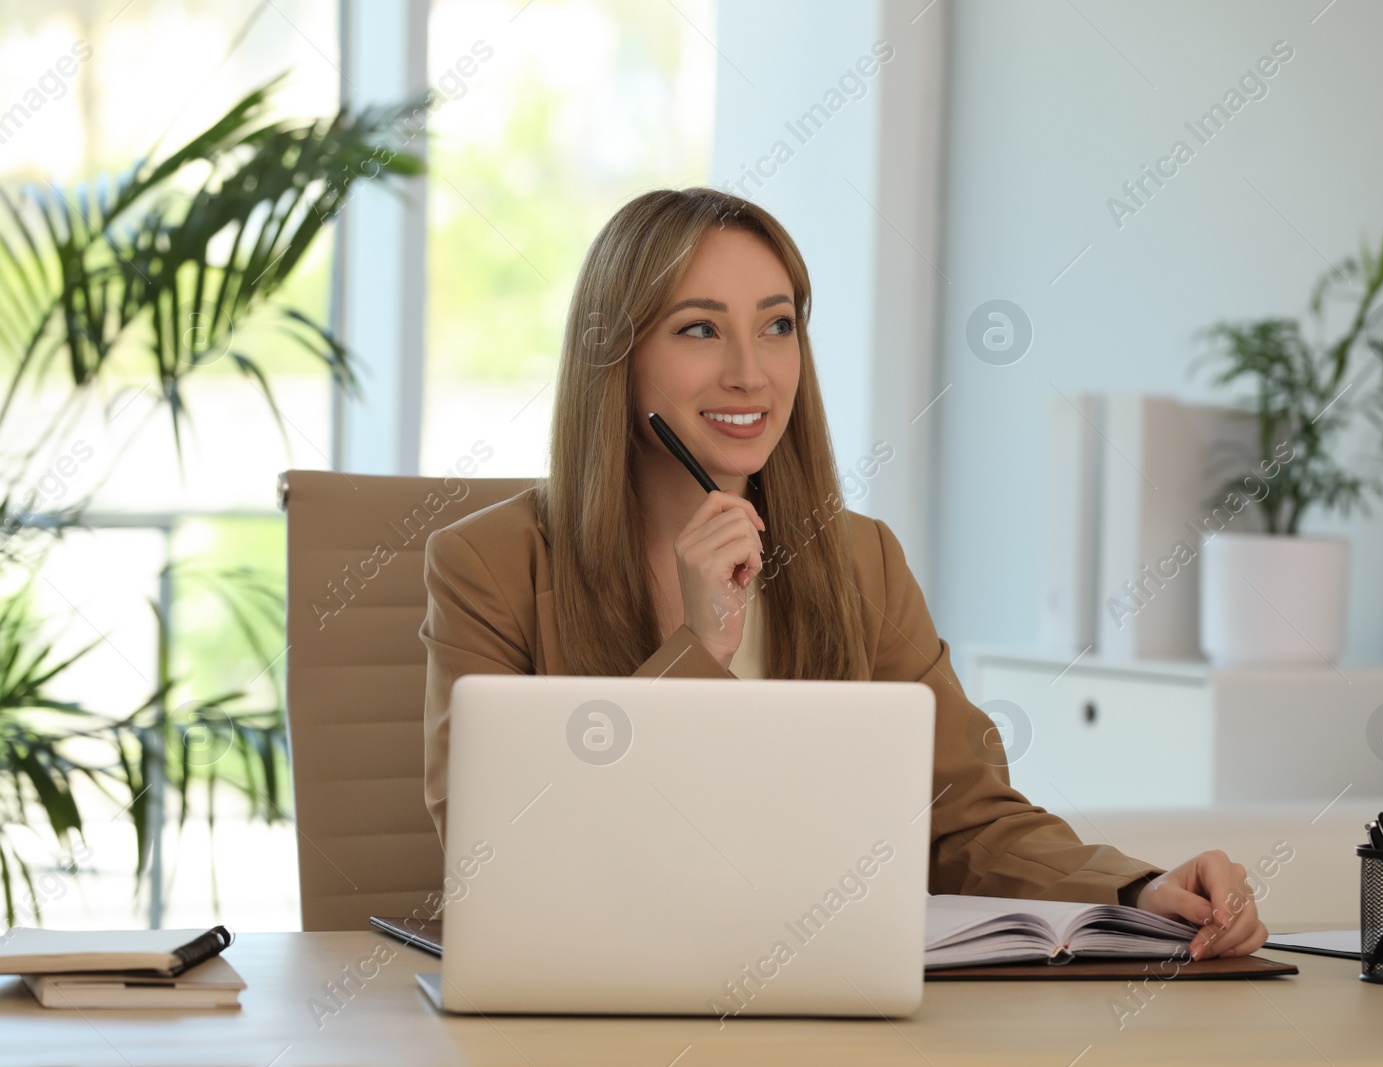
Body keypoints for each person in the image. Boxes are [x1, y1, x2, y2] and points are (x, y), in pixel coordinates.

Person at [419, 187, 1268, 962]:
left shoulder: (859, 559)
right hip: (596, 1006)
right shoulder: (489, 566)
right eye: (700, 328)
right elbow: (501, 860)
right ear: (619, 355)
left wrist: (1138, 892)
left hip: (821, 994)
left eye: (778, 325)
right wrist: (697, 648)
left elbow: (964, 816)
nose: (751, 372)